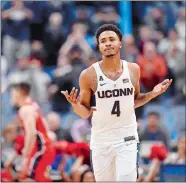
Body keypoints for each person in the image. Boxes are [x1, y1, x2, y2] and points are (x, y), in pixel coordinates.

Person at [61, 24, 172, 181]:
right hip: (101, 139)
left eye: (111, 39)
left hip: (126, 137)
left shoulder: (133, 69)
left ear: (120, 43)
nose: (107, 43)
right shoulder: (88, 75)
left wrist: (153, 94)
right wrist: (75, 104)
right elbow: (85, 112)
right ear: (99, 46)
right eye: (103, 41)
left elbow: (134, 101)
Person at [10, 82, 55, 182]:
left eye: (12, 93)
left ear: (19, 93)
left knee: (28, 178)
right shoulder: (33, 105)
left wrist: (26, 153)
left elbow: (31, 133)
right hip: (43, 147)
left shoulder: (26, 109)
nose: (11, 96)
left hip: (41, 149)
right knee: (36, 178)